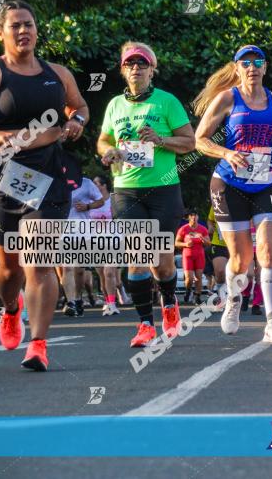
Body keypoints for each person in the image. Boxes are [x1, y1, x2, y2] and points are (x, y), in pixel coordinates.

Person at [0, 0, 88, 371]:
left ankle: (38, 344)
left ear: (37, 30)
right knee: (8, 269)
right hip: (1, 178)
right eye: (15, 26)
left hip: (49, 176)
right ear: (1, 33)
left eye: (28, 24)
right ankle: (11, 307)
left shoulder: (57, 73)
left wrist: (77, 122)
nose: (23, 31)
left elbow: (79, 107)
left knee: (39, 263)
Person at [98, 41, 195, 348]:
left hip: (163, 189)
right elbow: (103, 140)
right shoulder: (115, 105)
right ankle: (144, 324)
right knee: (138, 258)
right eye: (130, 64)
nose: (136, 68)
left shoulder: (167, 102)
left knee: (162, 262)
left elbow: (190, 142)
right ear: (123, 70)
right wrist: (109, 151)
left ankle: (169, 304)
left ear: (153, 70)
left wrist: (160, 139)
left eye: (142, 64)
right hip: (126, 189)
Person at [193, 44, 272, 343]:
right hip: (230, 183)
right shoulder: (227, 98)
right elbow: (200, 139)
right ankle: (234, 300)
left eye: (257, 62)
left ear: (265, 67)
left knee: (269, 249)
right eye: (245, 63)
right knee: (241, 258)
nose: (252, 67)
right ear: (237, 69)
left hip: (268, 181)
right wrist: (227, 153)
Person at [61, 171, 105, 317]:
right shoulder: (56, 180)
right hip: (62, 230)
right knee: (67, 267)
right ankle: (71, 302)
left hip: (83, 231)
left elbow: (101, 201)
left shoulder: (86, 183)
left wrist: (87, 207)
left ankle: (78, 297)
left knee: (79, 270)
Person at [90, 175, 123, 315]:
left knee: (109, 272)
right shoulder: (89, 201)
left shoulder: (114, 199)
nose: (93, 186)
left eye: (96, 183)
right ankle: (107, 300)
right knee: (102, 276)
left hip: (114, 240)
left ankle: (112, 304)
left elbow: (121, 216)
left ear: (103, 185)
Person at [176, 210, 209, 305]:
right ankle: (188, 290)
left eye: (195, 215)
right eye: (191, 216)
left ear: (198, 217)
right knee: (189, 279)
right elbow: (176, 243)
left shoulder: (203, 229)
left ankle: (197, 296)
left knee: (199, 278)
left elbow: (208, 243)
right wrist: (185, 244)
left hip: (199, 255)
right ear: (188, 218)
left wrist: (203, 240)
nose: (194, 217)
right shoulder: (183, 229)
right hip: (188, 256)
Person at [206, 206, 229, 310]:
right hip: (218, 243)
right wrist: (210, 226)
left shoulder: (239, 201)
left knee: (234, 273)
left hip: (236, 243)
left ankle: (231, 297)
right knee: (219, 271)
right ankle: (221, 296)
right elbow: (210, 220)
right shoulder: (216, 203)